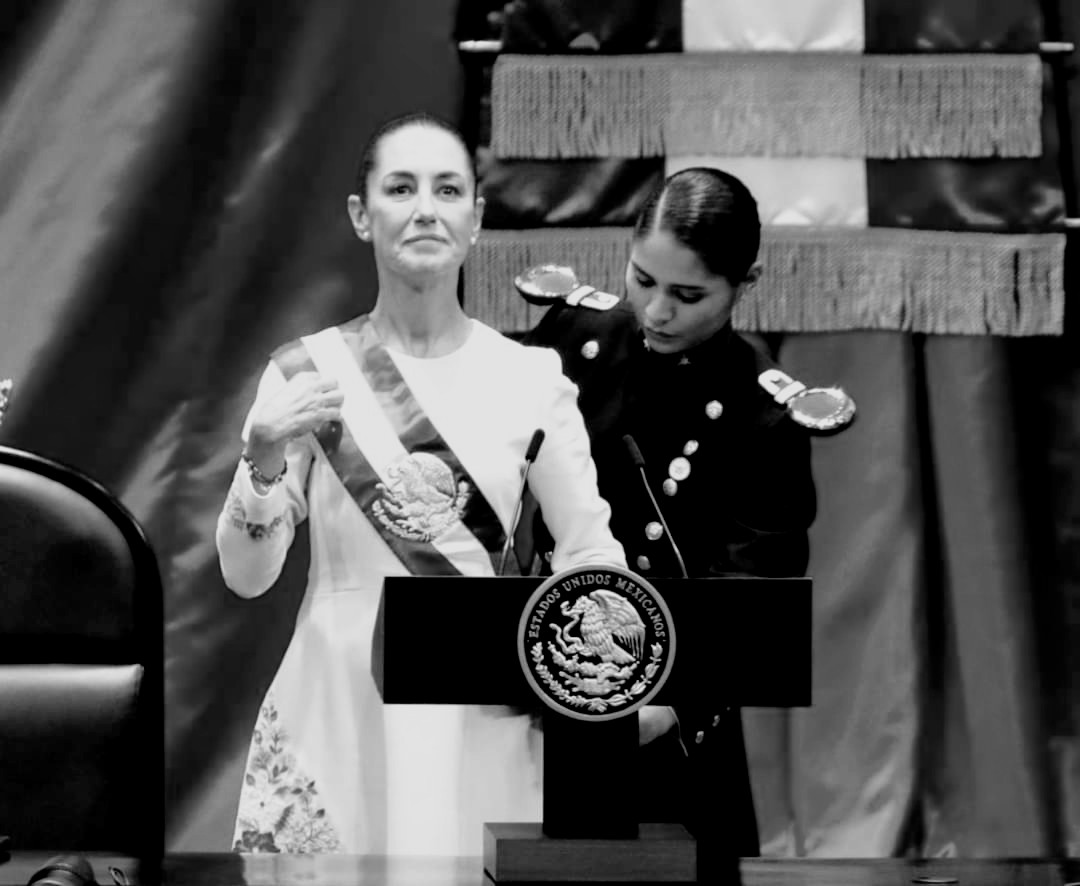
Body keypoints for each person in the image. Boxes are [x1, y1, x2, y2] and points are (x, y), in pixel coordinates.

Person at [215, 112, 625, 856]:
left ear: (477, 218)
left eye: (448, 190)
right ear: (361, 215)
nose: (426, 209)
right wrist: (263, 450)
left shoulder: (533, 380)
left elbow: (591, 559)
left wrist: (582, 677)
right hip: (338, 704)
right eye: (400, 189)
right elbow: (247, 577)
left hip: (483, 704)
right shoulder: (305, 373)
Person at [523, 167, 817, 859]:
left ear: (746, 284)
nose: (656, 312)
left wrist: (667, 708)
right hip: (543, 681)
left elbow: (753, 590)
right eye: (642, 279)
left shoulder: (762, 410)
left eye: (688, 296)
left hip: (674, 720)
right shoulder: (574, 338)